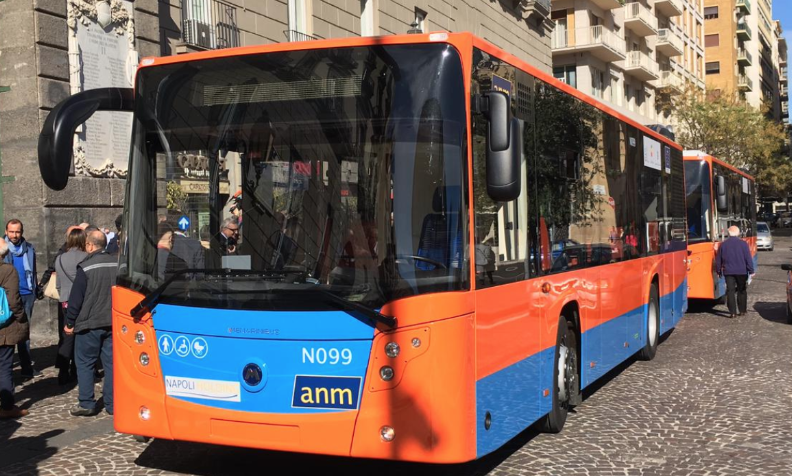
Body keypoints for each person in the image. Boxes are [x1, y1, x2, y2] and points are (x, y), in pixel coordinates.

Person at [64, 230, 116, 416]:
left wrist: (69, 322)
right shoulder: (118, 263)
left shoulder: (85, 267)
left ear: (90, 246)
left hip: (89, 322)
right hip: (113, 321)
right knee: (111, 364)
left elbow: (76, 299)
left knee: (85, 362)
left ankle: (87, 403)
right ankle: (112, 404)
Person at [3, 219, 40, 379]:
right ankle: (6, 369)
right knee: (6, 332)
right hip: (7, 297)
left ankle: (26, 368)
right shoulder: (2, 249)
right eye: (11, 231)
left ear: (22, 232)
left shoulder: (29, 249)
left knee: (24, 332)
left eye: (17, 231)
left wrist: (36, 288)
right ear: (6, 232)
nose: (14, 235)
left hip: (27, 294)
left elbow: (34, 270)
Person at [54, 228, 88, 384]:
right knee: (81, 335)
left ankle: (63, 369)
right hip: (83, 301)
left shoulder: (59, 259)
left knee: (67, 335)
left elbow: (59, 284)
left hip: (65, 300)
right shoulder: (87, 258)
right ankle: (76, 370)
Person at [0, 240, 30, 419]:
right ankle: (7, 406)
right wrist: (21, 317)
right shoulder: (7, 270)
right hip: (4, 328)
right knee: (4, 366)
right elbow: (13, 300)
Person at [715, 225, 755, 318]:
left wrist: (718, 271)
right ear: (738, 233)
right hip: (742, 271)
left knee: (730, 291)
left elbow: (718, 260)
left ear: (728, 233)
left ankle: (732, 312)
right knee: (742, 290)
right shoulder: (743, 244)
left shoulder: (723, 244)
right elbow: (748, 258)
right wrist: (751, 270)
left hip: (728, 271)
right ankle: (742, 310)